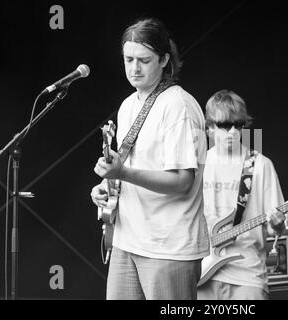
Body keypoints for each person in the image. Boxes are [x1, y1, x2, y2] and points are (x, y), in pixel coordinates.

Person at [90, 17, 209, 300]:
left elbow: (183, 181)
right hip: (126, 239)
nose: (134, 68)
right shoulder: (128, 105)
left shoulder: (177, 104)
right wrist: (107, 188)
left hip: (169, 247)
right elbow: (131, 167)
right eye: (128, 59)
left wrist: (123, 174)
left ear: (164, 59)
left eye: (144, 60)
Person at [197, 89, 286, 300]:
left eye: (239, 125)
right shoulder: (197, 165)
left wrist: (277, 223)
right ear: (209, 128)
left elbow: (276, 228)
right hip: (201, 273)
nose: (233, 132)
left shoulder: (260, 165)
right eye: (225, 125)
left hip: (247, 275)